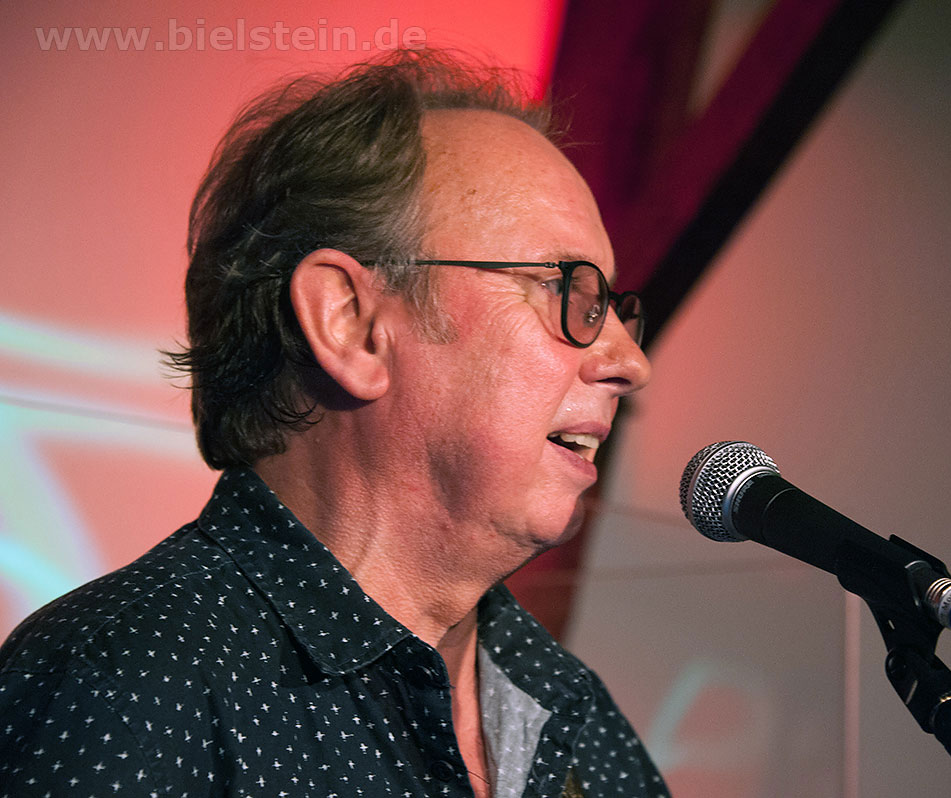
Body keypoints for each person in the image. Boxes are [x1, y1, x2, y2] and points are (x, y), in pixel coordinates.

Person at [0, 49, 665, 798]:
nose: (629, 362)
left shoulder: (573, 709)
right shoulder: (124, 684)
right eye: (567, 291)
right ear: (349, 321)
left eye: (615, 309)